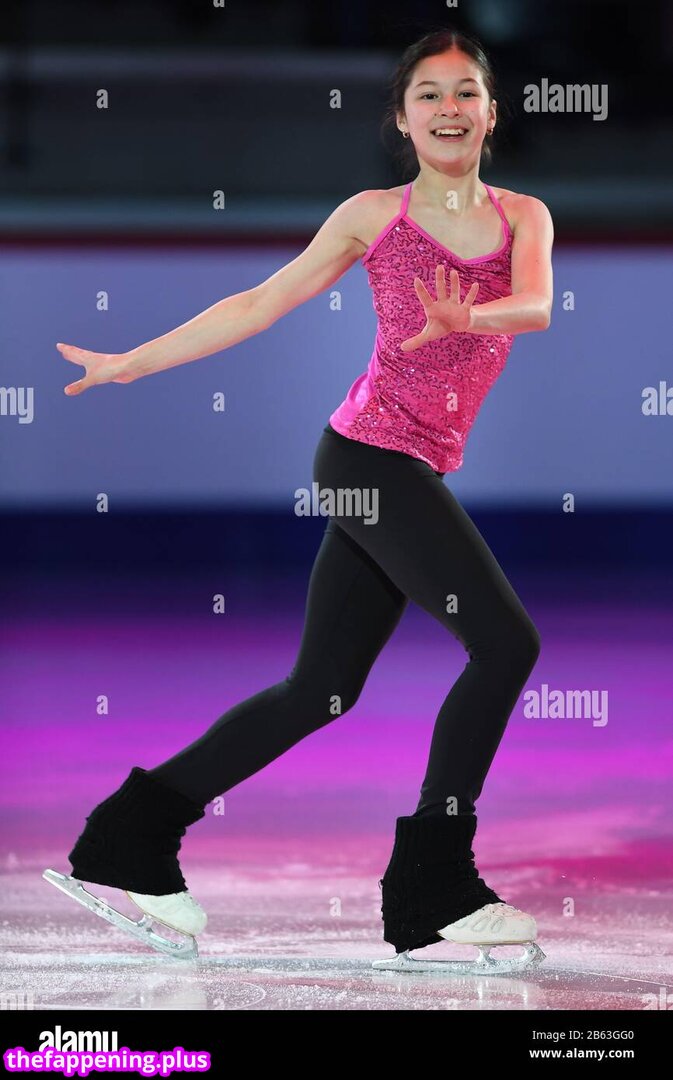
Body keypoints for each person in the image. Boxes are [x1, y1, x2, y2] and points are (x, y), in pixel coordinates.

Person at [56, 27, 554, 960]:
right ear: (401, 119)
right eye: (428, 94)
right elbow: (258, 302)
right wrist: (132, 362)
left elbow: (535, 306)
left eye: (465, 92)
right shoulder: (371, 215)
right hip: (367, 462)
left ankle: (132, 836)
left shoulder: (525, 216)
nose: (448, 108)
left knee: (320, 691)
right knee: (504, 644)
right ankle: (436, 883)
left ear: (492, 112)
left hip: (405, 468)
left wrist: (469, 314)